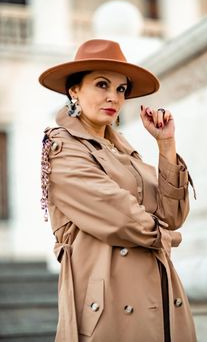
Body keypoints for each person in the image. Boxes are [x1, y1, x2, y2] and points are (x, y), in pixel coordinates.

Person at [39, 39, 197, 342]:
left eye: (121, 89)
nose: (113, 96)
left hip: (161, 297)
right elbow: (121, 218)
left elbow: (172, 214)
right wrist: (167, 238)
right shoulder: (62, 148)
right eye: (101, 84)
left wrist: (166, 145)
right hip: (109, 306)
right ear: (74, 91)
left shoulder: (123, 151)